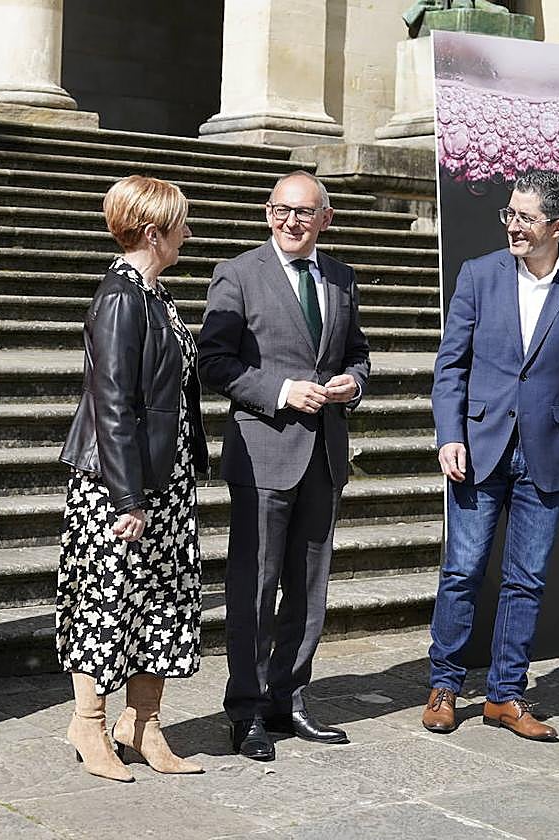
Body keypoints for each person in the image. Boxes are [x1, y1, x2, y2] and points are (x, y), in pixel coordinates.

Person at [424, 169, 559, 741]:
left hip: (549, 450)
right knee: (461, 570)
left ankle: (506, 695)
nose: (512, 225)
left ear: (557, 226)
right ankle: (444, 684)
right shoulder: (479, 275)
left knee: (526, 579)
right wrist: (449, 433)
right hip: (478, 447)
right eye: (509, 213)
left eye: (525, 217)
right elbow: (451, 365)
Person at [198, 170, 371, 762]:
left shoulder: (341, 278)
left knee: (308, 589)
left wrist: (354, 383)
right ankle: (244, 710)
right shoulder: (239, 274)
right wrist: (282, 391)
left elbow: (357, 352)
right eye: (279, 211)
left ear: (326, 219)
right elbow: (214, 363)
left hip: (324, 455)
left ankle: (288, 699)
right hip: (265, 452)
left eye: (302, 213)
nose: (290, 222)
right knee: (254, 587)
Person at [56, 175, 209, 782]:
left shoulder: (155, 294)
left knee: (162, 601)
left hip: (162, 479)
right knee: (106, 602)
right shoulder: (121, 297)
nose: (189, 233)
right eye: (182, 224)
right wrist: (128, 496)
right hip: (118, 485)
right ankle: (88, 723)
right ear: (154, 232)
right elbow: (112, 401)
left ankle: (142, 722)